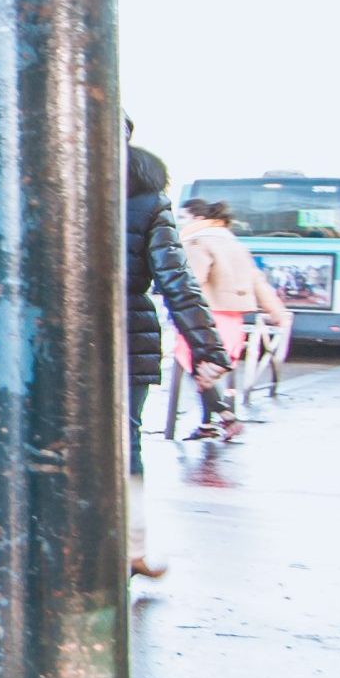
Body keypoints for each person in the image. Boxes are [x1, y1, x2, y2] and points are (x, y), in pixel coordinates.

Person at [124, 139, 229, 575]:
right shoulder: (148, 200)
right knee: (125, 443)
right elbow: (175, 280)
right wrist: (207, 347)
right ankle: (132, 548)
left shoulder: (46, 181)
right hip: (127, 335)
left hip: (49, 337)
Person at [177, 198, 294, 440]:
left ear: (198, 219)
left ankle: (226, 417)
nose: (180, 222)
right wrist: (277, 312)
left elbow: (192, 282)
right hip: (232, 318)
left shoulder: (197, 241)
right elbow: (257, 281)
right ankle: (209, 423)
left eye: (183, 217)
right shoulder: (233, 242)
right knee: (205, 371)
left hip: (203, 316)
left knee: (200, 370)